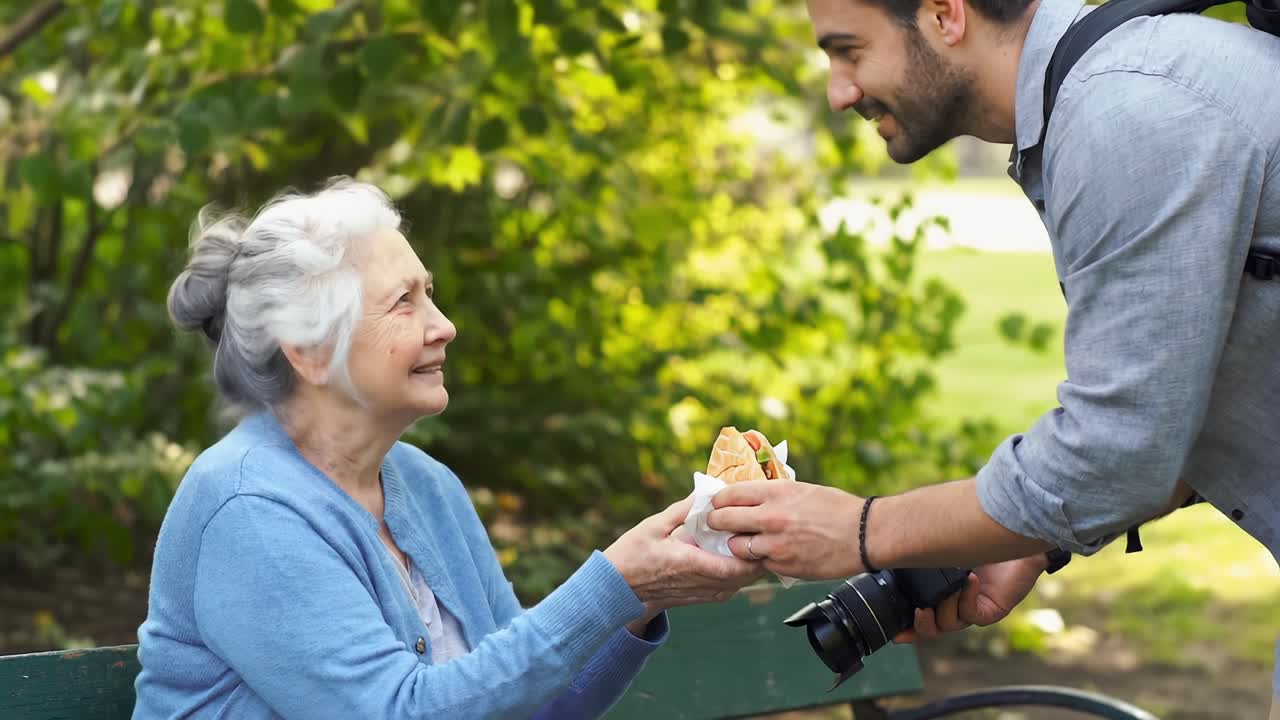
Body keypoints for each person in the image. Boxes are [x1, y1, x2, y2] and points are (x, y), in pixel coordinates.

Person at [706, 0, 1280, 712]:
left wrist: (863, 530)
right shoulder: (1117, 93)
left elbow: (1118, 451)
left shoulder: (1128, 110)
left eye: (850, 50)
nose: (839, 91)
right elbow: (1176, 408)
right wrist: (1033, 540)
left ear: (946, 15)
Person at [132, 178, 763, 719]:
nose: (444, 326)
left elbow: (529, 704)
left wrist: (643, 593)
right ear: (309, 353)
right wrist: (612, 582)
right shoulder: (247, 509)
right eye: (403, 302)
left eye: (428, 293)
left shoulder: (425, 485)